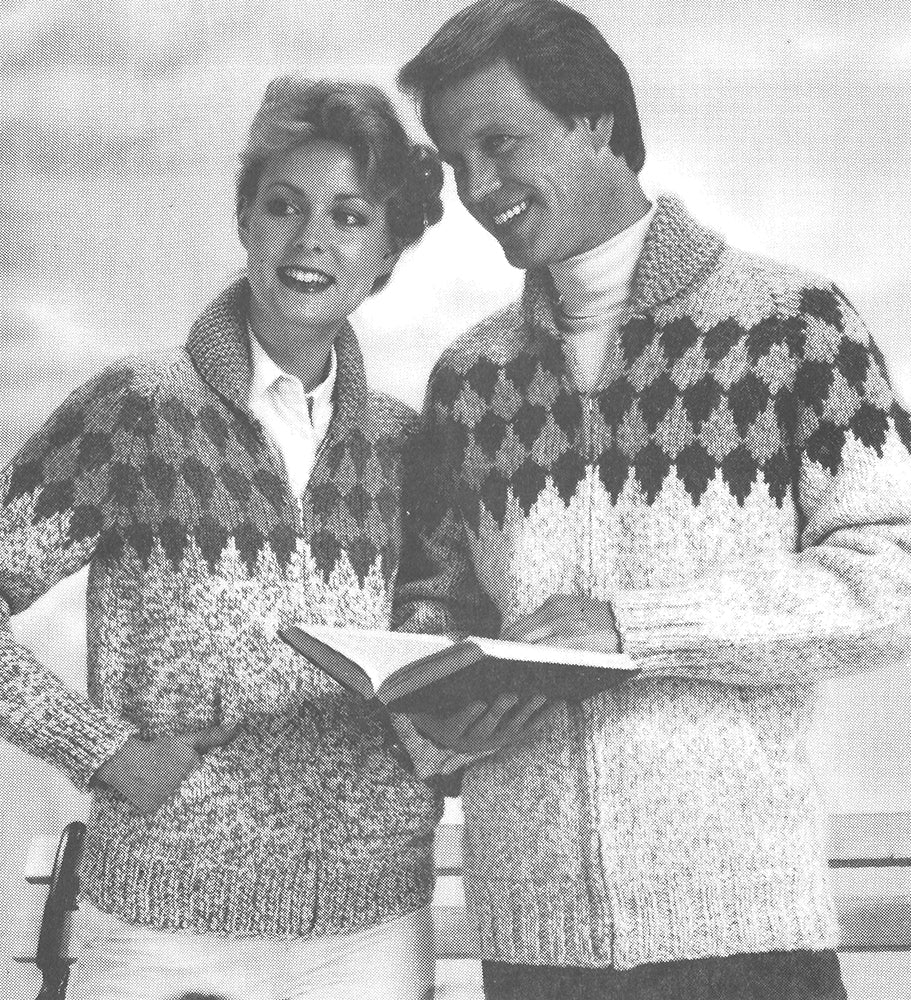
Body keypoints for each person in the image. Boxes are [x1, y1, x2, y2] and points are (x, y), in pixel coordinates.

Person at [393, 2, 911, 997]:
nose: (476, 188)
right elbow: (431, 608)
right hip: (533, 946)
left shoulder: (791, 325)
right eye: (456, 161)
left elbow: (891, 576)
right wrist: (435, 720)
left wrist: (633, 629)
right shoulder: (469, 376)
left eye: (499, 143)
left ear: (592, 119)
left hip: (744, 935)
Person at [0, 77, 448, 1000]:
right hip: (164, 932)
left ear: (388, 254)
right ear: (245, 221)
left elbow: (433, 657)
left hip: (369, 936)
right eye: (284, 205)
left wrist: (427, 752)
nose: (311, 238)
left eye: (350, 216)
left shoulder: (405, 447)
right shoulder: (137, 411)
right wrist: (105, 749)